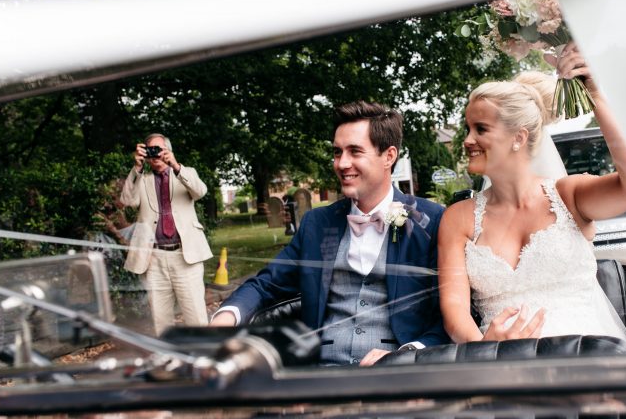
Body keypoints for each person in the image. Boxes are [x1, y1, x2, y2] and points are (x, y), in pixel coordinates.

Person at [438, 44, 626, 344]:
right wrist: (485, 352)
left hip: (586, 357)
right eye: (467, 128)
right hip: (502, 368)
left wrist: (596, 96)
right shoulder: (457, 218)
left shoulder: (569, 196)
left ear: (518, 138)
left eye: (480, 129)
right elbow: (455, 312)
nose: (468, 140)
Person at [211, 101, 447, 366]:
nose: (341, 163)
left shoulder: (431, 221)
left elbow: (451, 314)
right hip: (319, 374)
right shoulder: (317, 224)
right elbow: (265, 284)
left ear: (389, 156)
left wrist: (407, 354)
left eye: (355, 151)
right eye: (337, 152)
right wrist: (227, 317)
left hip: (397, 379)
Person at [120, 133, 213, 335]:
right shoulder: (141, 179)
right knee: (161, 321)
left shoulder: (186, 173)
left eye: (159, 150)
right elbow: (127, 201)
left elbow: (201, 191)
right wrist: (136, 167)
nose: (155, 155)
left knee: (196, 318)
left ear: (168, 151)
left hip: (185, 256)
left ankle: (203, 359)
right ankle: (169, 360)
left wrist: (176, 166)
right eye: (150, 150)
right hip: (154, 259)